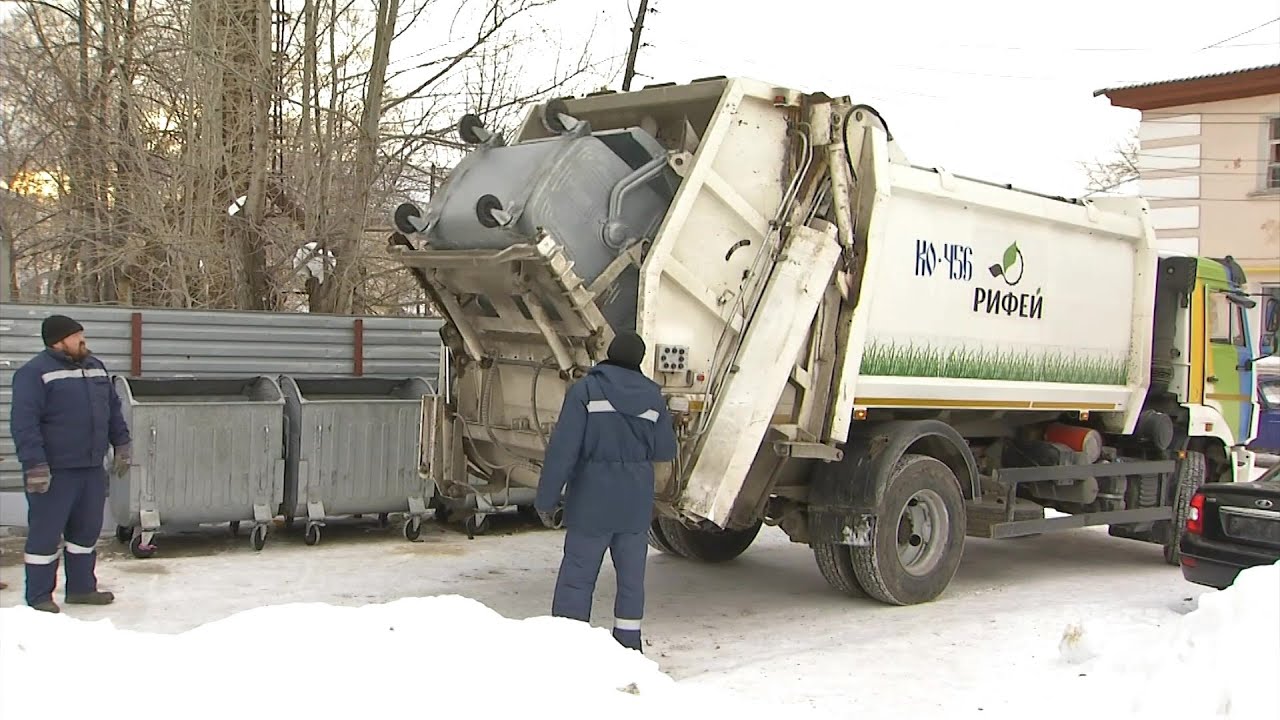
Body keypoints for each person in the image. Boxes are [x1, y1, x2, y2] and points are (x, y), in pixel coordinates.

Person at [534, 331, 678, 653]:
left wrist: (546, 500)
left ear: (610, 353)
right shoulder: (654, 397)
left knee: (578, 576)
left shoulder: (586, 390)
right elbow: (665, 449)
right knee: (631, 580)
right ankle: (628, 647)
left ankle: (567, 646)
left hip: (591, 499)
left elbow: (563, 450)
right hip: (634, 503)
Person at [9, 314, 131, 613]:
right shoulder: (33, 373)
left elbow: (113, 410)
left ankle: (81, 588)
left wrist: (123, 444)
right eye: (77, 336)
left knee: (86, 532)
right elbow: (24, 424)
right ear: (58, 341)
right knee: (46, 534)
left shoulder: (96, 368)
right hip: (54, 471)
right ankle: (38, 596)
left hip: (91, 467)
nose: (83, 341)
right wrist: (34, 464)